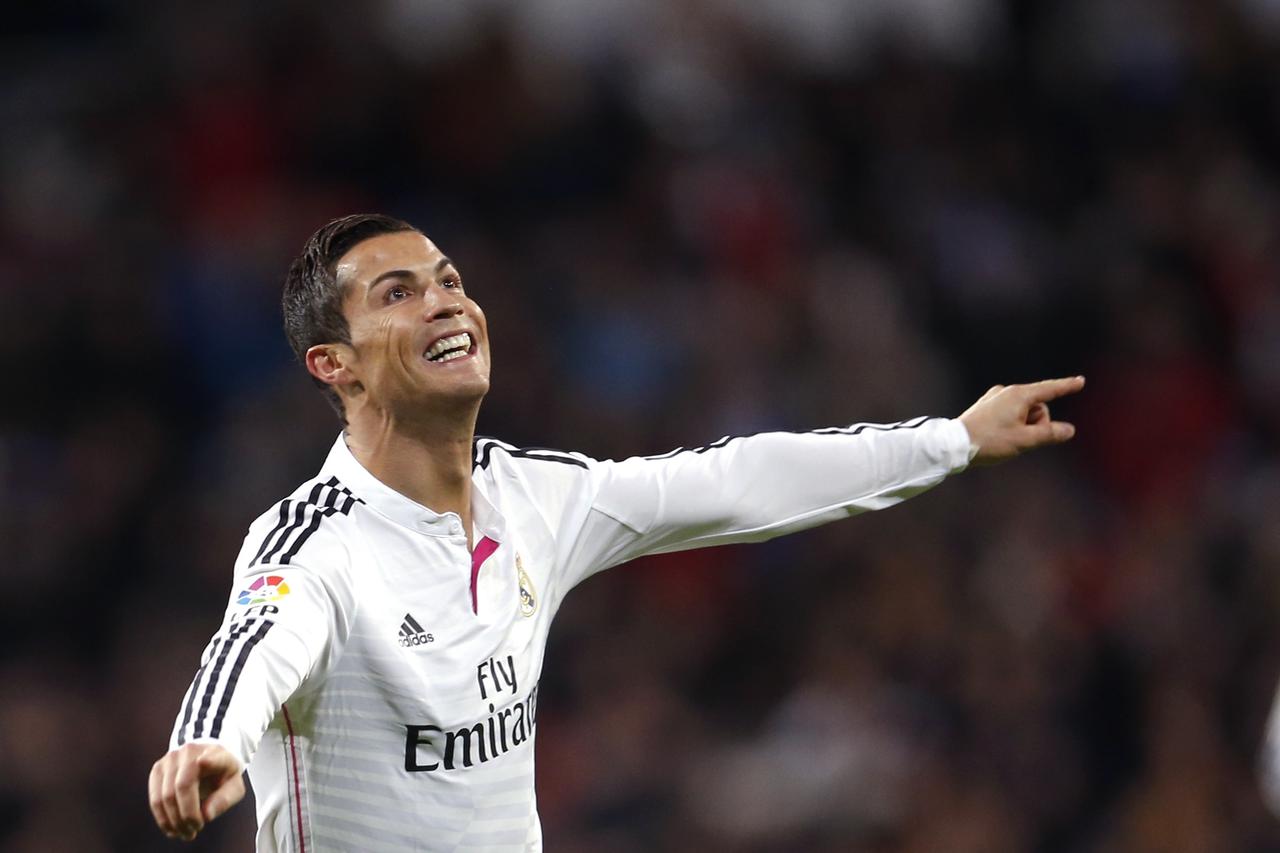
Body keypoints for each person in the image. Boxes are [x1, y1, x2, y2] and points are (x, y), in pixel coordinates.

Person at [147, 213, 1084, 851]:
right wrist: (206, 743)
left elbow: (737, 482)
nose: (445, 303)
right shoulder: (318, 543)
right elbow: (256, 644)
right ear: (332, 364)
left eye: (450, 281)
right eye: (398, 292)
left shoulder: (535, 499)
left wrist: (954, 439)